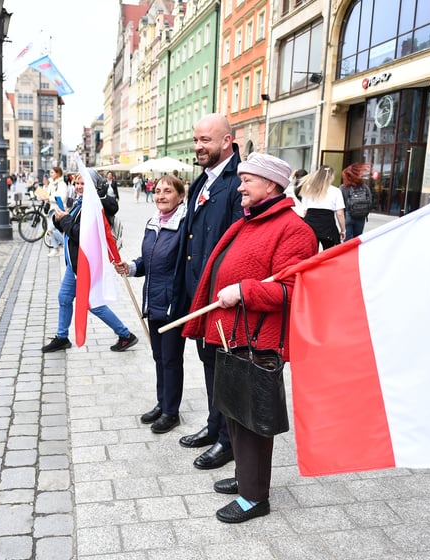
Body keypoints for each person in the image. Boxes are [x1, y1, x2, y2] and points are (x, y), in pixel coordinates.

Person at [182, 152, 318, 523]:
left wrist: (244, 291)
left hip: (258, 341)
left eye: (247, 180)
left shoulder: (294, 230)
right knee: (234, 415)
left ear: (271, 185)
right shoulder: (251, 221)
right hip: (232, 336)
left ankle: (254, 498)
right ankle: (246, 478)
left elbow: (293, 291)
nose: (239, 187)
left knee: (253, 423)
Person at [175, 113, 243, 471]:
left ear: (226, 142)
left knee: (225, 368)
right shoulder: (202, 180)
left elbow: (237, 244)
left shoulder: (238, 182)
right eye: (196, 140)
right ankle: (215, 425)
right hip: (199, 295)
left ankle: (228, 441)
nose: (198, 146)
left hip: (222, 297)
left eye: (206, 141)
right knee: (209, 363)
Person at [114, 175, 188, 434]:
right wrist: (131, 267)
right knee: (159, 357)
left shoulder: (184, 225)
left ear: (181, 196)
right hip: (152, 299)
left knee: (170, 359)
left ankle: (171, 412)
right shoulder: (153, 222)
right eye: (158, 191)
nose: (161, 196)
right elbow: (149, 261)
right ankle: (162, 402)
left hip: (173, 304)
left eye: (168, 191)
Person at [42, 169, 138, 354]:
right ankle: (62, 337)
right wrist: (58, 218)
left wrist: (66, 219)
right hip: (75, 264)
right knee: (64, 298)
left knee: (92, 303)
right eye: (77, 183)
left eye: (83, 183)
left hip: (86, 264)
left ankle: (125, 335)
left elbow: (81, 235)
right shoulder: (81, 203)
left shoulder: (95, 207)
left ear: (94, 186)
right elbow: (67, 226)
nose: (78, 186)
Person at [298, 166, 345, 250]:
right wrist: (343, 230)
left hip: (310, 223)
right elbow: (340, 213)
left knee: (310, 253)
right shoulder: (336, 191)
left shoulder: (308, 189)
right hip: (327, 225)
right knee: (328, 253)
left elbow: (304, 212)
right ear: (331, 177)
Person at [340, 162, 373, 240]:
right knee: (357, 239)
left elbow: (341, 205)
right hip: (361, 216)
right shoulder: (365, 187)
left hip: (348, 215)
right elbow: (370, 201)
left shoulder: (343, 188)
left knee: (347, 242)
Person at [46, 166, 69, 257]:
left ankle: (66, 245)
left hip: (59, 210)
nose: (50, 174)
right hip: (52, 209)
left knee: (51, 229)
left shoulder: (62, 184)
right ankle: (56, 249)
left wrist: (49, 198)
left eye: (52, 172)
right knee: (51, 230)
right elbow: (49, 194)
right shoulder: (52, 184)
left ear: (58, 173)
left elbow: (62, 198)